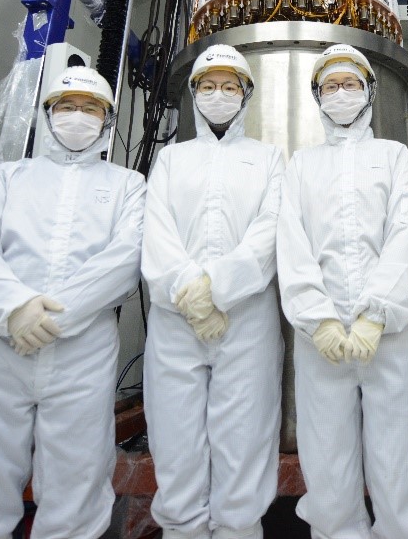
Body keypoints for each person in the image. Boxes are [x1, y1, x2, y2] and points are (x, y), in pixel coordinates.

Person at [0, 65, 146, 538]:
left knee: (78, 477)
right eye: (66, 107)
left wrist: (48, 317)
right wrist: (15, 309)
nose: (78, 116)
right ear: (48, 114)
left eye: (91, 109)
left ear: (108, 119)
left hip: (82, 349)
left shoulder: (127, 184)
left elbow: (124, 259)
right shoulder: (7, 177)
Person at [277, 44, 408, 539]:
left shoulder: (393, 156)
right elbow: (291, 242)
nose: (341, 93)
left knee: (401, 458)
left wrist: (377, 313)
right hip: (321, 339)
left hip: (390, 334)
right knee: (327, 461)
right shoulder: (301, 165)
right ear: (318, 97)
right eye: (330, 86)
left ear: (369, 92)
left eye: (350, 84)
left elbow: (406, 234)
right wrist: (318, 318)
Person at [142, 44, 284, 539]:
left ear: (245, 94)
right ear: (193, 93)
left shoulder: (268, 158)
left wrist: (218, 289)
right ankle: (181, 528)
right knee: (174, 436)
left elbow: (270, 231)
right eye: (207, 86)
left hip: (246, 318)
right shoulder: (170, 158)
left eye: (229, 86)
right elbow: (156, 230)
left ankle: (237, 528)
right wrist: (190, 290)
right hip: (175, 318)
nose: (218, 95)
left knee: (245, 437)